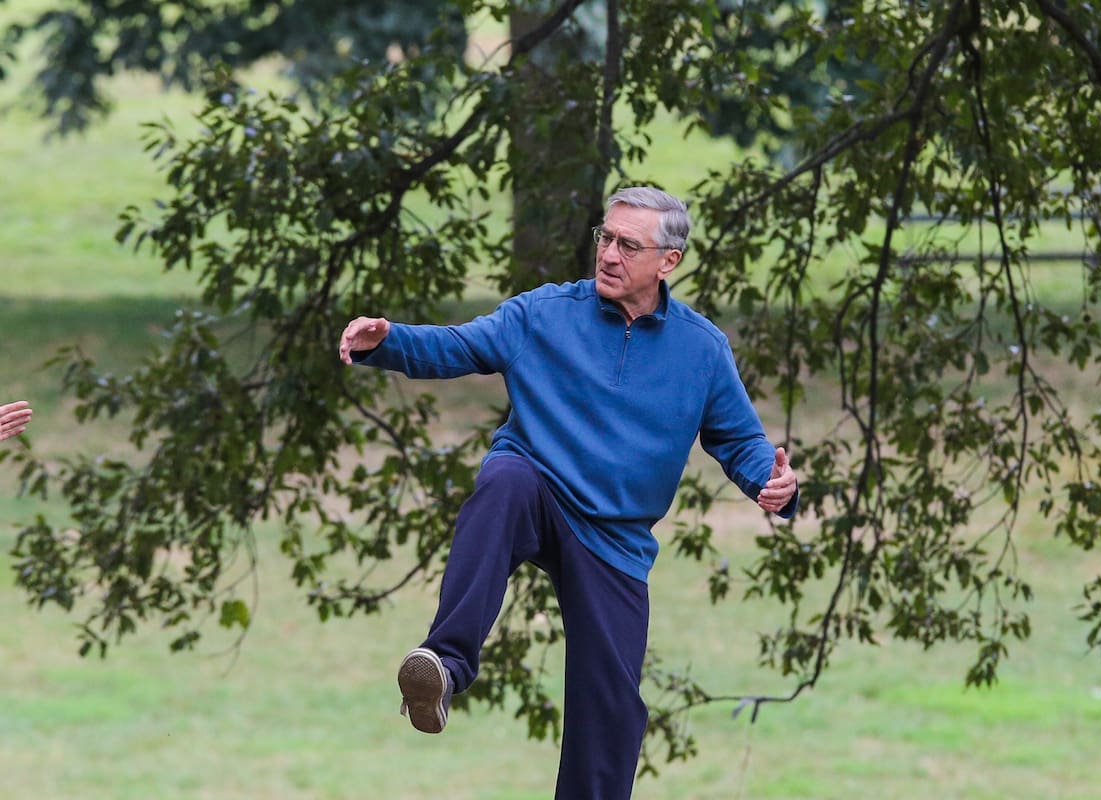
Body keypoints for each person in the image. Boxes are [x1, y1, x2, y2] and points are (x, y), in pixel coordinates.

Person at [338, 186, 797, 799]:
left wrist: (773, 483)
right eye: (605, 239)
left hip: (614, 540)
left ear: (669, 261)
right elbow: (460, 344)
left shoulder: (701, 349)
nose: (608, 254)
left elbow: (740, 442)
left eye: (628, 245)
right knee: (502, 480)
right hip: (539, 488)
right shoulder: (544, 313)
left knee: (610, 711)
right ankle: (445, 667)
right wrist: (388, 341)